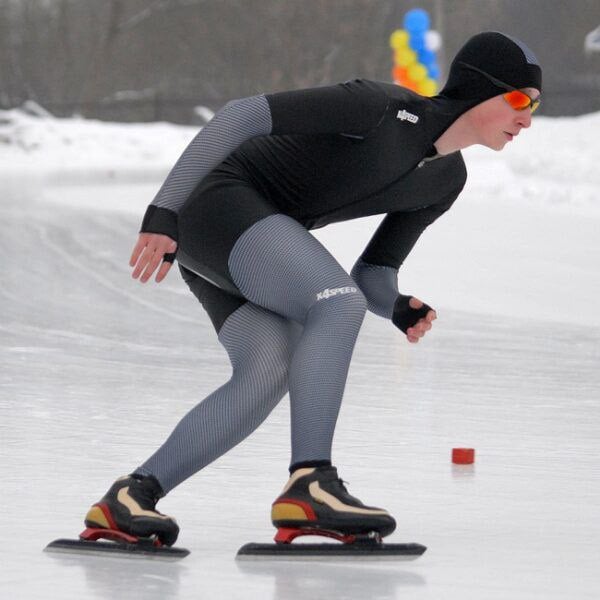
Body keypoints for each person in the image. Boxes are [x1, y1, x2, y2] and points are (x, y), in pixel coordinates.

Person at [84, 32, 542, 546]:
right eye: (520, 99)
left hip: (247, 242)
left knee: (269, 368)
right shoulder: (381, 108)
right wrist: (164, 209)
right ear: (478, 90)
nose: (528, 117)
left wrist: (395, 305)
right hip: (216, 202)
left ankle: (131, 497)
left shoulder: (445, 182)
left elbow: (372, 273)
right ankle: (311, 483)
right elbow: (241, 115)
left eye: (535, 105)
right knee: (335, 302)